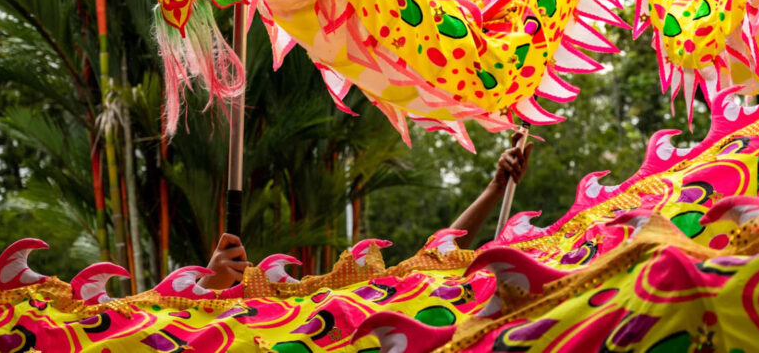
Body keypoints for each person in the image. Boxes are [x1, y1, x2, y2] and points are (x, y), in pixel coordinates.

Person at [197, 135, 532, 289]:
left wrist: (495, 189)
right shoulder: (266, 321)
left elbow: (433, 263)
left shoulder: (352, 307)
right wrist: (208, 290)